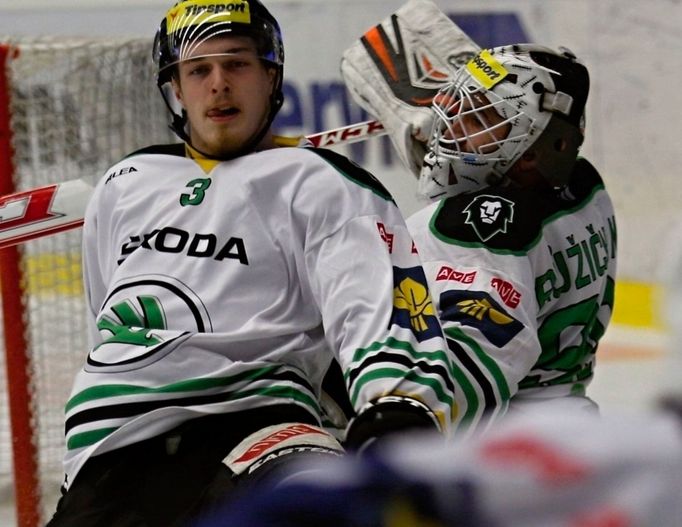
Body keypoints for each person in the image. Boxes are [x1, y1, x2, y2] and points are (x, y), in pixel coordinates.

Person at [45, 1, 455, 525]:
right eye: (198, 69)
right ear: (175, 88)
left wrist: (396, 406)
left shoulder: (319, 181)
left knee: (320, 507)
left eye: (236, 64)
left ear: (270, 77)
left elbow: (374, 305)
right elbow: (106, 315)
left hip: (257, 425)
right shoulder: (125, 183)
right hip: (114, 448)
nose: (218, 83)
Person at [406, 44, 617, 434]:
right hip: (572, 429)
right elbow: (516, 171)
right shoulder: (584, 184)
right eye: (459, 107)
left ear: (532, 153)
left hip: (505, 455)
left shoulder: (478, 233)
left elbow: (468, 379)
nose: (449, 126)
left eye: (478, 117)